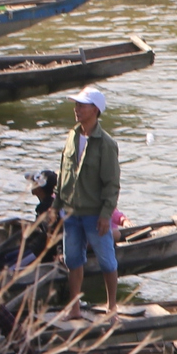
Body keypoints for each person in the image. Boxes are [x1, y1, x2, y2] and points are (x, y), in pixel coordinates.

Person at [55, 86, 120, 315]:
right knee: (73, 260)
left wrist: (105, 215)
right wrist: (56, 206)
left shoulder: (106, 144)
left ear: (95, 110)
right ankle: (74, 306)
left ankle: (112, 305)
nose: (77, 109)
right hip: (71, 212)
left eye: (81, 105)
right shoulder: (72, 136)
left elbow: (112, 185)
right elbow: (63, 172)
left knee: (107, 261)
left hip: (94, 214)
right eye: (77, 105)